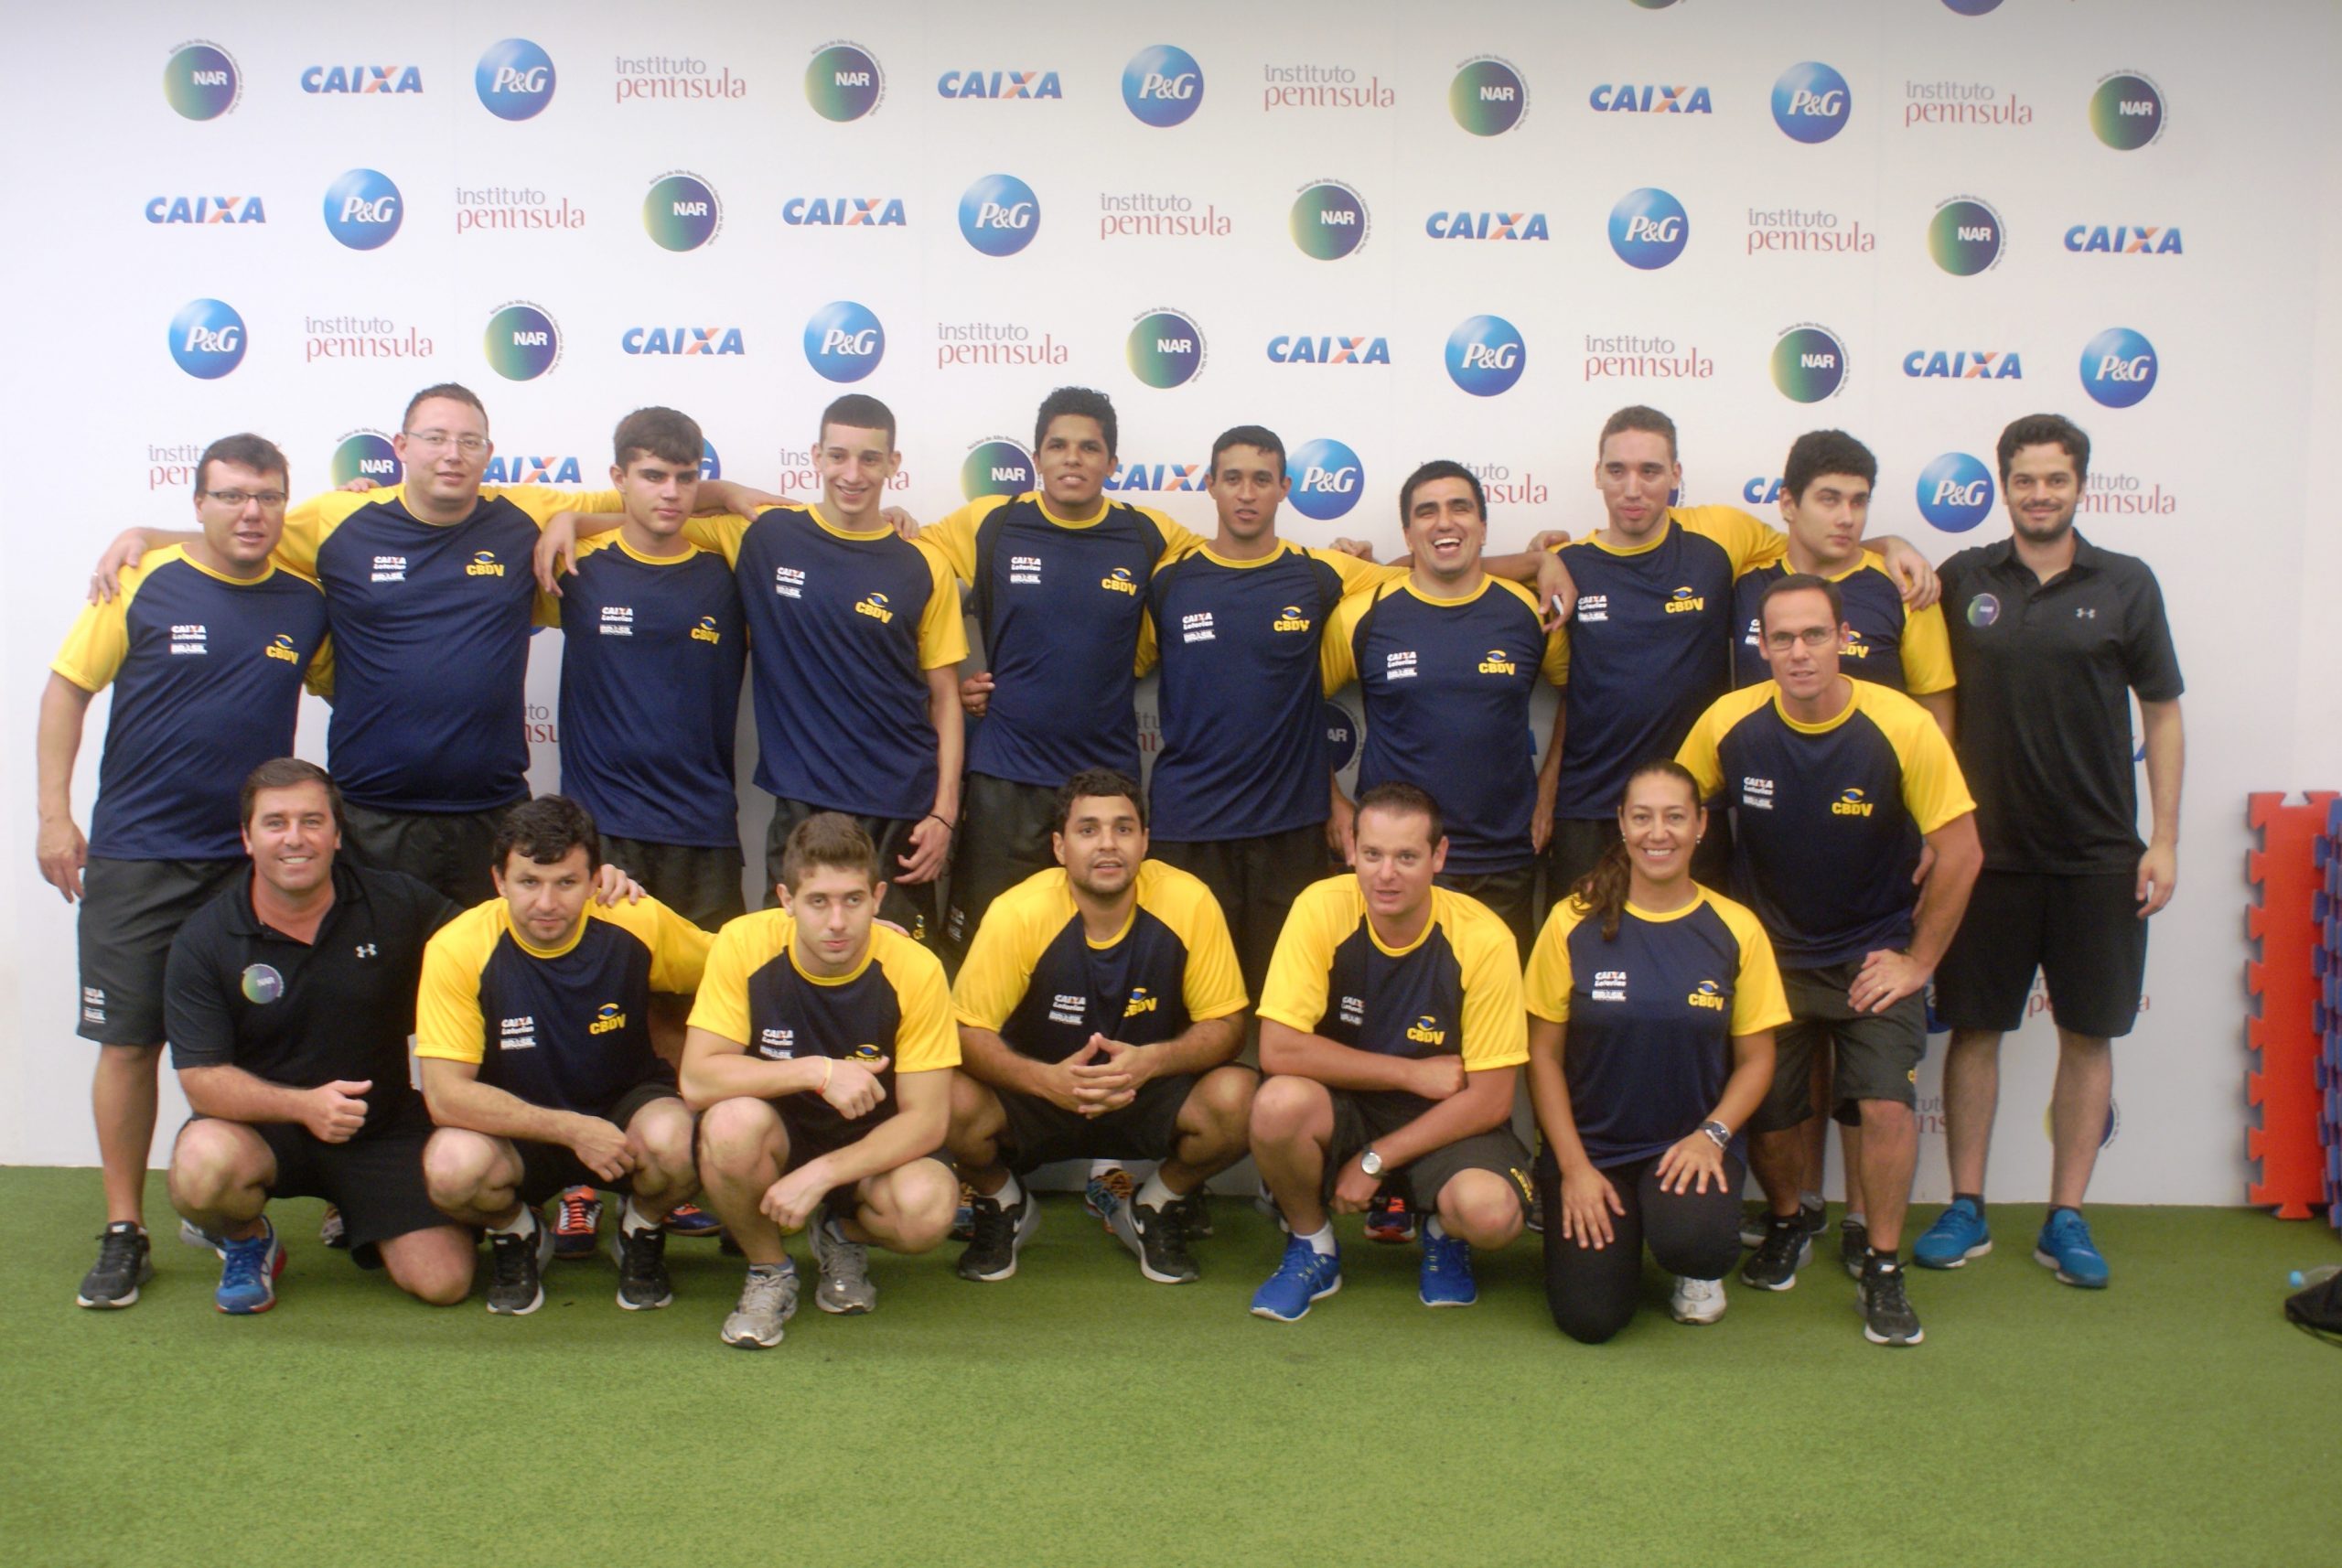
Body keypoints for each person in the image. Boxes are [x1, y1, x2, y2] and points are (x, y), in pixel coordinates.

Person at [40, 434, 330, 1308]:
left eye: (269, 498)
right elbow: (66, 690)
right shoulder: (142, 581)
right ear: (197, 504)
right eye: (233, 496)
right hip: (135, 856)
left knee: (246, 1043)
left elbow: (350, 686)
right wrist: (56, 814)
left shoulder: (305, 604)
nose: (252, 512)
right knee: (130, 1042)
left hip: (251, 866)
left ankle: (229, 1218)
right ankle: (125, 1229)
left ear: (285, 507)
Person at [1915, 413, 2186, 1289]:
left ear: (2080, 486)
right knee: (1976, 1033)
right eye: (2025, 480)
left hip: (2099, 854)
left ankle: (2066, 1217)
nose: (2040, 495)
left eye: (2055, 480)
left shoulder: (2128, 584)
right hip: (1985, 858)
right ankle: (1967, 1207)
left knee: (2087, 1036)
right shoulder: (1962, 579)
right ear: (2004, 486)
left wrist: (2167, 840)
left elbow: (2163, 712)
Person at [1677, 574, 1982, 1346]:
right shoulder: (1728, 722)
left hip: (1870, 954)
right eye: (1782, 638)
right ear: (1763, 647)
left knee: (1883, 1104)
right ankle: (1787, 1222)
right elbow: (1672, 815)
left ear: (1844, 639)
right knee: (1774, 1110)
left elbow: (1962, 851)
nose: (1799, 652)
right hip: (1770, 960)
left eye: (1814, 635)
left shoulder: (1901, 725)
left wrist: (1917, 961)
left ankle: (1882, 1265)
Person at [1542, 407, 1939, 894]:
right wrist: (1542, 559)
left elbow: (1819, 539)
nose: (1632, 488)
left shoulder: (1721, 537)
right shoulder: (1571, 564)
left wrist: (1894, 544)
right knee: (1582, 955)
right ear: (1597, 474)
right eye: (1617, 470)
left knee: (1694, 960)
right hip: (1592, 808)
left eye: (1650, 470)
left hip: (1698, 807)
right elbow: (1566, 687)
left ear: (1675, 476)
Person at [1728, 429, 1957, 1262]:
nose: (1849, 517)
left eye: (1863, 502)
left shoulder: (1899, 587)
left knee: (1868, 1080)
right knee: (1791, 1068)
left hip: (1874, 864)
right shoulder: (1747, 573)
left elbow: (1935, 712)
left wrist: (1936, 824)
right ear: (1786, 504)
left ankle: (1867, 1227)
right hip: (1772, 865)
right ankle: (1800, 1212)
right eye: (1829, 498)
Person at [540, 406, 749, 1256]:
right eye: (651, 475)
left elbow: (790, 519)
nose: (670, 492)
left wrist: (718, 492)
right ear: (619, 475)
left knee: (698, 1014)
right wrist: (573, 519)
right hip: (607, 833)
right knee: (597, 1014)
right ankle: (584, 1185)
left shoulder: (728, 565)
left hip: (703, 828)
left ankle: (686, 1181)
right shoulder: (574, 565)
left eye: (685, 475)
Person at [162, 759, 472, 1312]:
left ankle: (358, 1212)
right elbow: (202, 1081)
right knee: (200, 1170)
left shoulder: (396, 902)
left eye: (311, 820)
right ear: (247, 837)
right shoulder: (205, 937)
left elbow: (494, 942)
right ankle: (246, 1239)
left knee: (444, 1283)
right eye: (275, 823)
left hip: (379, 1129)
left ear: (336, 832)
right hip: (266, 1130)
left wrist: (595, 892)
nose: (295, 839)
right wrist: (303, 1106)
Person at [917, 388, 1206, 962]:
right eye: (1058, 446)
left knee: (1094, 950)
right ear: (1037, 457)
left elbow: (1235, 566)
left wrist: (1353, 556)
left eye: (1089, 447)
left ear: (1112, 464)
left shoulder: (1149, 535)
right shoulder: (992, 524)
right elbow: (901, 572)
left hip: (1105, 783)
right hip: (1005, 776)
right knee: (984, 950)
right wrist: (957, 676)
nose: (1073, 458)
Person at [946, 769, 1253, 1284]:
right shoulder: (1017, 913)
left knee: (1242, 1097)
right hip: (1040, 1095)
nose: (1107, 845)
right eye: (1088, 830)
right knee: (944, 1098)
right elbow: (963, 1034)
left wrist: (1154, 1061)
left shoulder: (1189, 901)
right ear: (1060, 846)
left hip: (1145, 1093)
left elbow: (1227, 1025)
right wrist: (1046, 1080)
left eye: (1123, 829)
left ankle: (1158, 1203)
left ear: (1146, 842)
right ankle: (1002, 1203)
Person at [1248, 782, 1534, 1321]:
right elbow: (1278, 1050)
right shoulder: (1320, 908)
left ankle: (1443, 1233)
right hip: (1350, 1107)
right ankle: (1313, 1246)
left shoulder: (1484, 938)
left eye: (1407, 857)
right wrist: (1409, 1073)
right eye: (1373, 854)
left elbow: (1493, 1100)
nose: (1386, 874)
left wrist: (1377, 1160)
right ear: (1351, 850)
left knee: (1491, 1216)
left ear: (1438, 857)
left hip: (1448, 1122)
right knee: (1276, 1104)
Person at [415, 797, 713, 1315]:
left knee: (683, 1143)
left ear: (597, 880)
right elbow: (445, 1097)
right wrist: (572, 1129)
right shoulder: (457, 947)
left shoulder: (634, 920)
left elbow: (743, 958)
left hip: (626, 1110)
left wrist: (865, 939)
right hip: (516, 1125)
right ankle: (517, 1233)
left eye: (567, 882)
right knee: (450, 1168)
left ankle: (640, 1227)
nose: (547, 903)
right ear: (499, 881)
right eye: (529, 882)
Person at [1525, 761, 1787, 1342]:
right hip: (1592, 1153)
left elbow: (1758, 1060)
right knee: (1589, 1320)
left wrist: (1712, 1136)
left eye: (1674, 817)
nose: (1657, 833)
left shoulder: (1736, 928)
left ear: (1700, 827)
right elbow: (1541, 1057)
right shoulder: (1572, 921)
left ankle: (1691, 1260)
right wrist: (1572, 1168)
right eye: (1642, 817)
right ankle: (1624, 1228)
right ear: (1621, 824)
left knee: (1693, 1241)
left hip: (1687, 1148)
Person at [682, 814, 959, 1348]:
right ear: (786, 899)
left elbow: (928, 1120)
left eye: (853, 900)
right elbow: (697, 1079)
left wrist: (822, 1175)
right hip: (777, 1134)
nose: (837, 921)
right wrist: (819, 1071)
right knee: (729, 1125)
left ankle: (839, 1236)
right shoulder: (743, 944)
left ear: (878, 897)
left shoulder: (916, 968)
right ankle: (769, 1271)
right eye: (818, 901)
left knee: (927, 1208)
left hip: (868, 1146)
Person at [1321, 462, 1568, 951]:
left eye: (1460, 507)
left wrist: (1548, 788)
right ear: (1409, 534)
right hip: (1396, 866)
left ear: (1482, 525)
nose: (1445, 522)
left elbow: (1582, 694)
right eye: (1427, 512)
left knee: (1493, 1018)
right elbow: (1296, 705)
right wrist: (1332, 801)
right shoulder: (1362, 616)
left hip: (1502, 858)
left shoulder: (1526, 611)